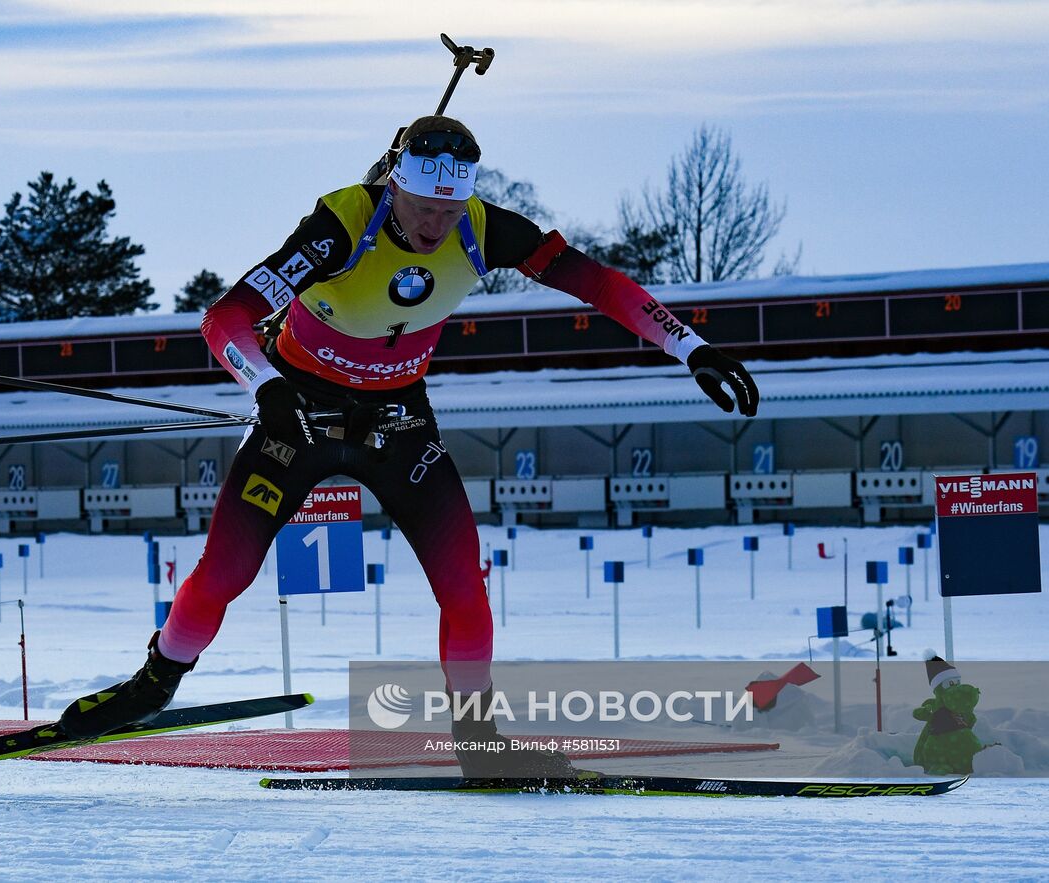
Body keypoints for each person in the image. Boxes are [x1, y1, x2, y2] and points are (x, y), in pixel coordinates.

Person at [60, 115, 759, 776]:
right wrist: (265, 387)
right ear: (394, 186)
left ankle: (479, 743)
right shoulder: (340, 227)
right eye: (422, 206)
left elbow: (596, 281)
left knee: (465, 585)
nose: (434, 226)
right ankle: (152, 686)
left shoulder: (485, 229)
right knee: (224, 574)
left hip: (399, 423)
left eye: (449, 211)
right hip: (297, 420)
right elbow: (226, 317)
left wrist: (689, 344)